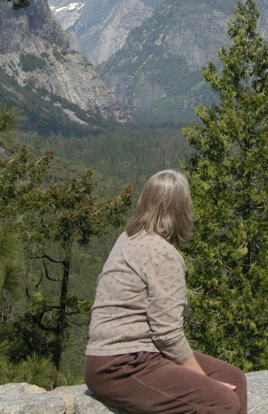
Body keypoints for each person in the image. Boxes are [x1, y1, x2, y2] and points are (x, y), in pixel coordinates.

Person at [84, 169, 248, 414]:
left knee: (234, 378)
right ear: (182, 210)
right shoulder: (163, 254)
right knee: (222, 401)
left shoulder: (128, 238)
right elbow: (167, 333)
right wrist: (204, 379)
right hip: (122, 364)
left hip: (124, 357)